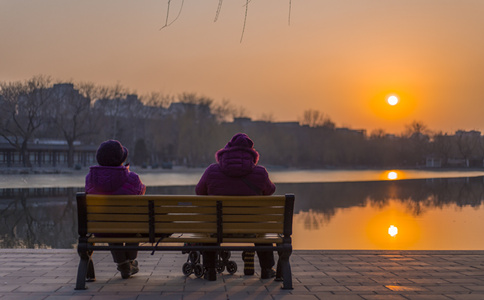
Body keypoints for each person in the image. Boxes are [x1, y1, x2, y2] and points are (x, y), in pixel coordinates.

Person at [196, 133, 277, 281]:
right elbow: (271, 190)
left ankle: (210, 270)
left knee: (211, 227)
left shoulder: (212, 171)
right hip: (252, 228)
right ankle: (266, 269)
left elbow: (199, 191)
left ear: (226, 152)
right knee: (261, 230)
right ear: (252, 155)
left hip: (219, 227)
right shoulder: (260, 173)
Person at [85, 139, 146, 279]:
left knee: (108, 221)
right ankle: (129, 261)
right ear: (121, 159)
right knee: (132, 220)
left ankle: (123, 263)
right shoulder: (133, 178)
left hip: (101, 228)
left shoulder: (90, 178)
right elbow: (141, 193)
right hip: (129, 226)